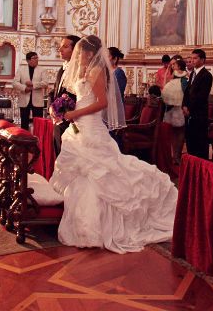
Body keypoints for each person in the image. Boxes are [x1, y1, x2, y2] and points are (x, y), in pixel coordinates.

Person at [48, 35, 178, 253]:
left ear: (89, 53)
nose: (77, 56)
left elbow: (101, 103)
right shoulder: (84, 71)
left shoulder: (97, 71)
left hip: (91, 128)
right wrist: (64, 108)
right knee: (83, 174)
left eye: (80, 52)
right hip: (79, 127)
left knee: (99, 172)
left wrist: (75, 113)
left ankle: (98, 225)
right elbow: (82, 97)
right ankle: (83, 222)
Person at [49, 35, 81, 156]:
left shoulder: (80, 70)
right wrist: (51, 107)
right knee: (59, 153)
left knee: (69, 156)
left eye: (65, 46)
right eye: (61, 46)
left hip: (72, 120)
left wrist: (67, 111)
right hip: (58, 120)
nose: (60, 49)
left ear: (75, 50)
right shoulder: (61, 69)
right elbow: (54, 92)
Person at [182, 49, 213, 160]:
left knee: (199, 144)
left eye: (195, 58)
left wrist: (190, 108)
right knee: (190, 141)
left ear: (202, 60)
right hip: (190, 114)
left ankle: (201, 167)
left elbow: (201, 96)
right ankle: (192, 165)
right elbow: (187, 92)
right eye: (192, 58)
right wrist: (184, 106)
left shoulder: (206, 75)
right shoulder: (193, 74)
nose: (192, 60)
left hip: (199, 114)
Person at [161, 58, 188, 165]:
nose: (172, 67)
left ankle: (177, 155)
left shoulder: (184, 80)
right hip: (171, 107)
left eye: (174, 65)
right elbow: (165, 87)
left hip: (179, 108)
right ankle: (173, 155)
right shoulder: (172, 79)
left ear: (180, 67)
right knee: (172, 132)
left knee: (179, 132)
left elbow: (185, 93)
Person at [13, 52, 47, 131]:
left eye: (37, 57)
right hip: (24, 99)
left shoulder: (42, 70)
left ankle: (38, 140)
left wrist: (33, 85)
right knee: (24, 123)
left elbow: (45, 83)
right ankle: (24, 140)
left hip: (37, 100)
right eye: (34, 58)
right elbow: (14, 83)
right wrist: (24, 88)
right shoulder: (21, 69)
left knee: (38, 123)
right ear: (28, 60)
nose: (36, 59)